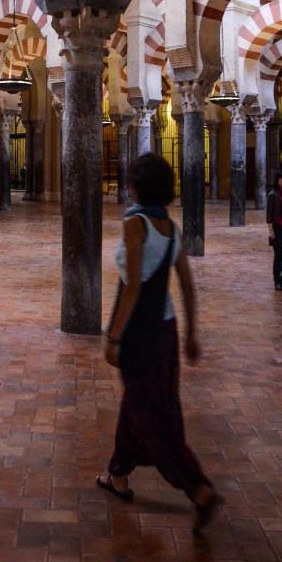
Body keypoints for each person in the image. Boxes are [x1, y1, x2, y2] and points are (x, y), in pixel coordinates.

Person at [99, 153, 220, 536]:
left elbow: (132, 287)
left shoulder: (134, 224)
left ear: (137, 184)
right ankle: (118, 475)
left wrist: (113, 336)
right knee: (141, 401)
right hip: (165, 330)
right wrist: (191, 333)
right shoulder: (170, 226)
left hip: (139, 333)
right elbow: (185, 282)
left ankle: (198, 489)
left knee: (154, 415)